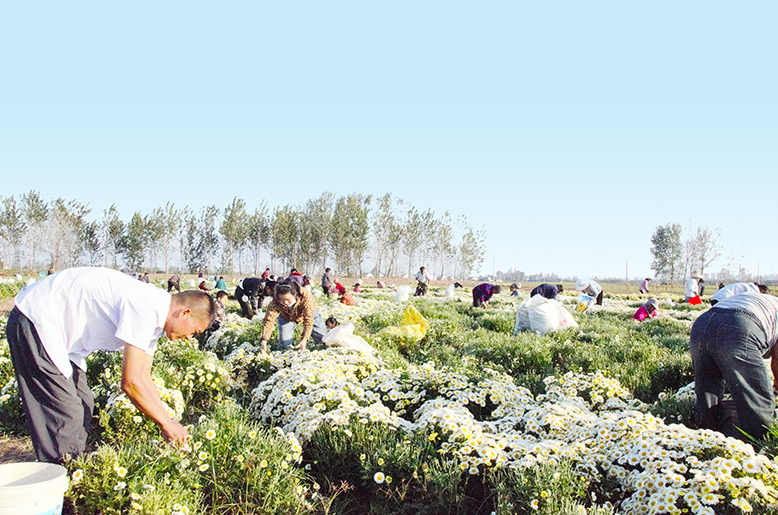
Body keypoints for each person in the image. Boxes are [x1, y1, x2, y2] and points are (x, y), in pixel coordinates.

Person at [6, 267, 215, 464]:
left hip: (61, 336)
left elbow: (144, 377)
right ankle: (61, 480)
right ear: (184, 312)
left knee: (84, 402)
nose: (189, 338)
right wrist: (166, 425)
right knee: (66, 415)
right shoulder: (146, 307)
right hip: (36, 318)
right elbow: (131, 383)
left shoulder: (157, 319)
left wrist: (169, 422)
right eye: (194, 332)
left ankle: (71, 466)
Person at [690, 291, 778, 441]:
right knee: (756, 399)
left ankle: (707, 441)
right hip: (739, 325)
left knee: (707, 390)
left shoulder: (767, 302)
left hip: (702, 324)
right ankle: (761, 445)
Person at [259, 280, 327, 353]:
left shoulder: (305, 296)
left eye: (288, 299)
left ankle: (327, 351)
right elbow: (269, 320)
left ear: (295, 294)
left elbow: (309, 319)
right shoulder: (275, 301)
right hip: (287, 316)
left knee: (323, 339)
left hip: (310, 314)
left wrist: (305, 338)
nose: (285, 302)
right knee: (285, 346)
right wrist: (264, 340)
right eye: (282, 300)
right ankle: (285, 359)